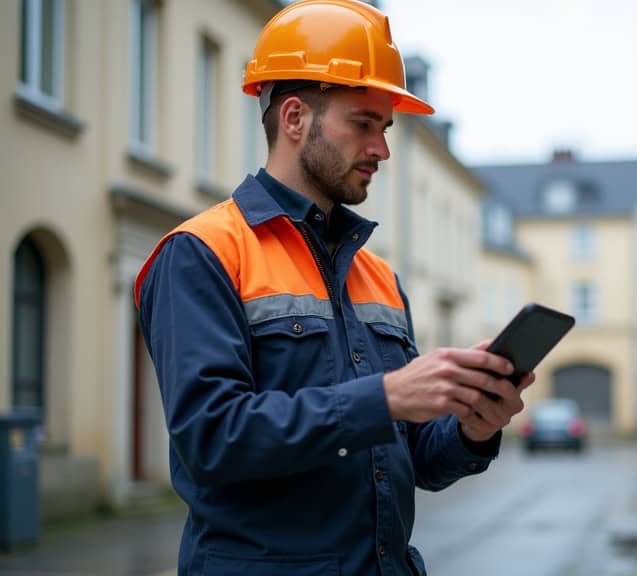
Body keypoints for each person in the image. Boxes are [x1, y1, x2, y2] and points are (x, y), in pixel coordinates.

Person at [134, 2, 533, 574]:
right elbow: (212, 439)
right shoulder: (203, 252)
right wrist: (384, 397)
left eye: (386, 128)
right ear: (295, 118)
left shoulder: (379, 278)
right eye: (363, 123)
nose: (382, 150)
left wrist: (474, 429)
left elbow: (418, 460)